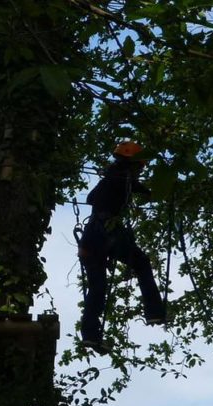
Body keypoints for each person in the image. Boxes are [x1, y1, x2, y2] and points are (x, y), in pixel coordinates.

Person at [78, 141, 166, 354]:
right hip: (108, 233)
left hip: (90, 240)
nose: (141, 170)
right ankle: (154, 311)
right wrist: (160, 192)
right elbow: (143, 190)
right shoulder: (123, 176)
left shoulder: (112, 176)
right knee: (142, 263)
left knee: (98, 288)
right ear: (134, 162)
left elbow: (91, 198)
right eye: (140, 166)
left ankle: (90, 335)